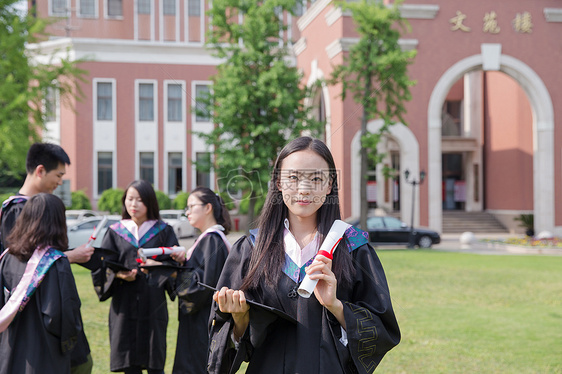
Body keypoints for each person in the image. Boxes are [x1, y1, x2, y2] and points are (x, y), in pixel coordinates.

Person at [208, 137, 401, 374]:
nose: (304, 189)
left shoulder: (353, 248)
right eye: (293, 177)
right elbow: (222, 341)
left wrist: (336, 306)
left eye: (316, 178)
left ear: (330, 185)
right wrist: (239, 319)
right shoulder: (252, 249)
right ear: (278, 182)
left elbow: (382, 330)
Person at [0, 142, 93, 373]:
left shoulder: (38, 207)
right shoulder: (16, 210)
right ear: (40, 170)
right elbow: (24, 264)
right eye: (58, 175)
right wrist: (68, 257)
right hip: (32, 318)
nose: (61, 182)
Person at [92, 180, 179, 374]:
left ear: (149, 203)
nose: (133, 204)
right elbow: (102, 266)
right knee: (129, 362)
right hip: (124, 304)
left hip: (153, 302)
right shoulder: (116, 231)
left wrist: (157, 268)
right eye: (129, 199)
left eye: (139, 200)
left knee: (154, 358)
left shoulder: (164, 231)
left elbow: (175, 268)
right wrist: (118, 275)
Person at [171, 187, 232, 374]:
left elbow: (201, 286)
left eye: (191, 206)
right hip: (200, 322)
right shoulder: (208, 239)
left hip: (202, 324)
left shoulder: (212, 240)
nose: (187, 212)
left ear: (207, 208)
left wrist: (175, 273)